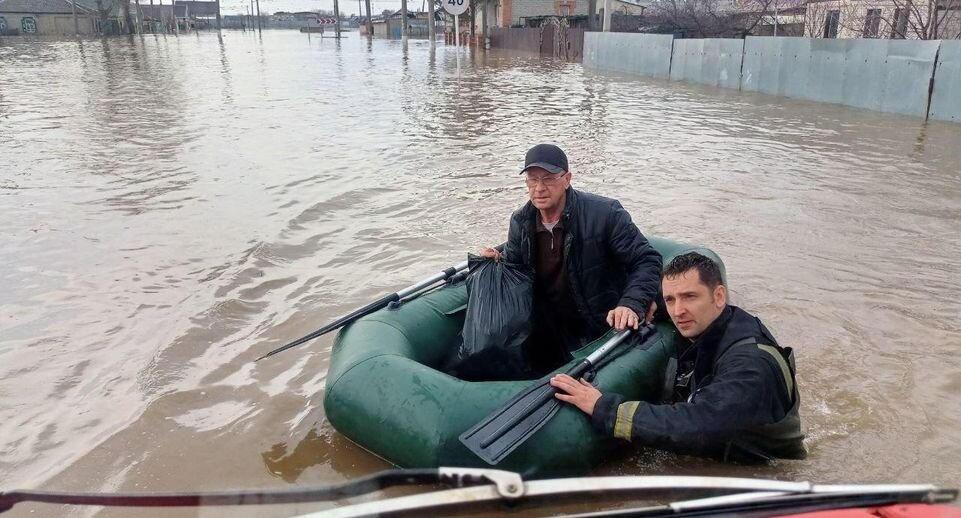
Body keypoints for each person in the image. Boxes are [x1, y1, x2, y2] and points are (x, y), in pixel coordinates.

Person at [550, 252, 806, 463]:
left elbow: (698, 426)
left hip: (764, 474)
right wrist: (638, 303)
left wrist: (606, 409)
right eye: (670, 300)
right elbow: (669, 305)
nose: (678, 311)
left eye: (690, 297)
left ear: (719, 296)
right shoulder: (716, 322)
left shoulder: (750, 366)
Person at [481, 143, 662, 374]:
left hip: (600, 322)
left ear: (567, 179)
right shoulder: (520, 221)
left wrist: (631, 303)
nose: (539, 188)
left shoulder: (606, 214)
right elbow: (516, 270)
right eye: (532, 180)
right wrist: (498, 262)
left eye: (548, 179)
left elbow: (646, 260)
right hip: (551, 324)